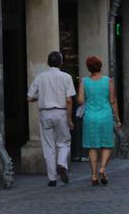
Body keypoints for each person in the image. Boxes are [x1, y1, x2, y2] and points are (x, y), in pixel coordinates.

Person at [26, 51, 76, 186]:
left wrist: (40, 98)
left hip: (45, 113)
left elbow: (29, 97)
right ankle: (61, 163)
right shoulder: (66, 77)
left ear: (48, 63)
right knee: (64, 142)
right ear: (61, 63)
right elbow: (69, 100)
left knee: (48, 146)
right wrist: (69, 118)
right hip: (60, 112)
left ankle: (52, 178)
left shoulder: (40, 77)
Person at [78, 55, 120, 186]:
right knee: (107, 145)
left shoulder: (84, 82)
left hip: (90, 117)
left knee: (92, 147)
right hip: (105, 116)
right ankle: (102, 169)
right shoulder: (108, 81)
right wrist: (117, 118)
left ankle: (94, 176)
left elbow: (80, 100)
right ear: (100, 66)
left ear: (88, 68)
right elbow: (113, 101)